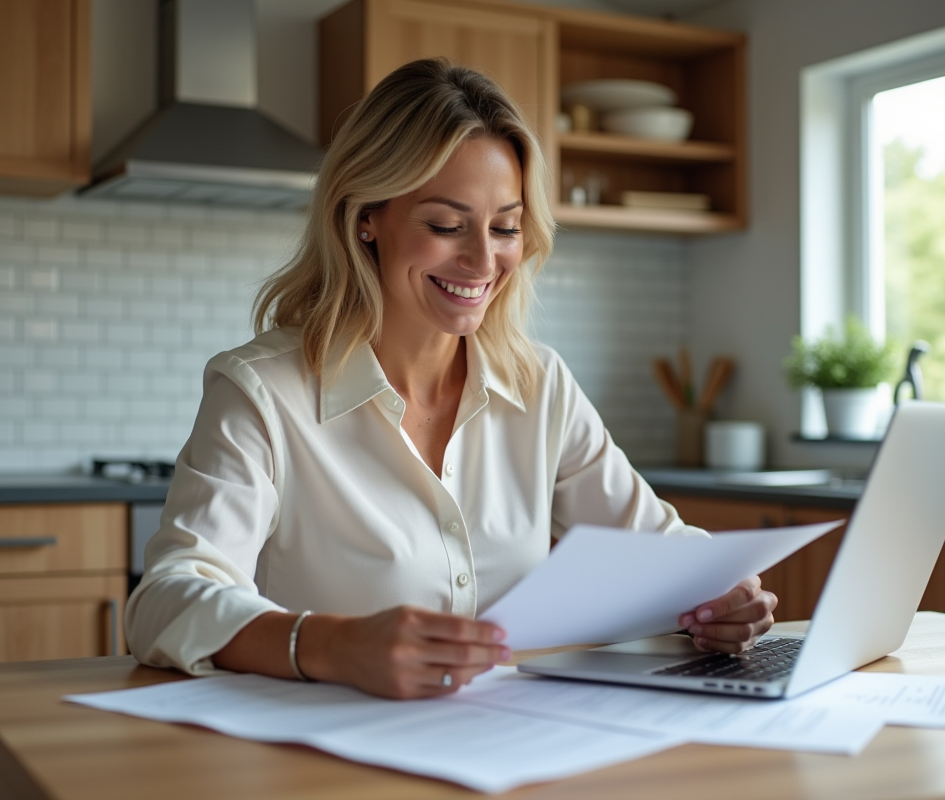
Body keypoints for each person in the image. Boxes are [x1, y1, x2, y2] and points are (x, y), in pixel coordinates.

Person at [125, 58, 777, 699]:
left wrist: (718, 597)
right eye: (446, 225)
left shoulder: (539, 384)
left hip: (504, 750)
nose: (482, 259)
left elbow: (658, 553)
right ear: (365, 218)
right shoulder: (263, 392)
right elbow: (166, 602)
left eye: (505, 228)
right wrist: (330, 645)